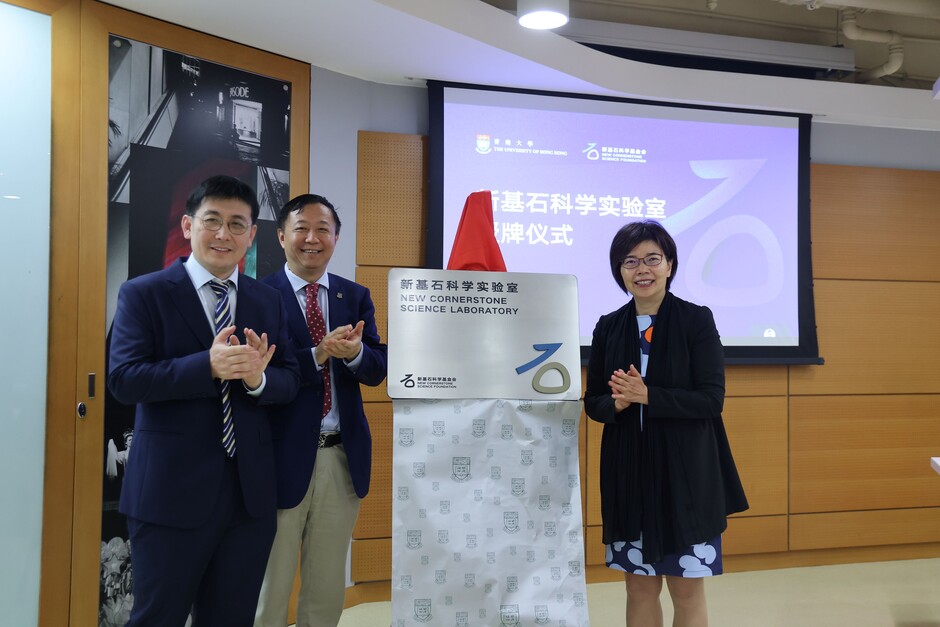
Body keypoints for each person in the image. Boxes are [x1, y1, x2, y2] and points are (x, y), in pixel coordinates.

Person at [108, 174, 301, 626]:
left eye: (237, 224)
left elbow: (291, 380)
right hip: (169, 497)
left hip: (248, 500)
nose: (223, 234)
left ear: (252, 235)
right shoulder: (145, 293)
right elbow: (124, 380)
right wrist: (207, 366)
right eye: (212, 220)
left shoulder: (267, 300)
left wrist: (258, 380)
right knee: (158, 617)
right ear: (188, 225)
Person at [584, 220, 749, 627]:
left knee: (686, 586)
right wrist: (618, 404)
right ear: (619, 271)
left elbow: (711, 400)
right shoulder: (608, 325)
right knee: (638, 587)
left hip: (686, 477)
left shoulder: (696, 320)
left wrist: (648, 395)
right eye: (630, 261)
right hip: (630, 476)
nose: (642, 269)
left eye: (652, 259)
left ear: (670, 265)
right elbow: (594, 403)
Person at [255, 194, 388, 627]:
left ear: (336, 237)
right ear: (281, 236)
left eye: (323, 229)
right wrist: (317, 354)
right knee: (269, 586)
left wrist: (352, 355)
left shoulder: (355, 295)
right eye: (301, 229)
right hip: (277, 458)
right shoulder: (259, 295)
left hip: (340, 456)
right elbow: (263, 374)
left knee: (327, 584)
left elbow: (377, 369)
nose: (312, 238)